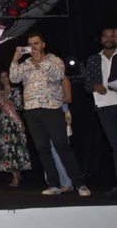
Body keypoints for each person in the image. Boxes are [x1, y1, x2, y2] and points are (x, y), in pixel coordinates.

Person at [9, 31, 91, 196]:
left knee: (62, 146)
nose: (34, 47)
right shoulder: (25, 65)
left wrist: (41, 60)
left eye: (36, 43)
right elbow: (14, 78)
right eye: (30, 44)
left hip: (52, 108)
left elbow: (59, 75)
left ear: (43, 44)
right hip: (32, 111)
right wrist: (15, 59)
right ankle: (53, 184)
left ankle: (80, 184)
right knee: (42, 149)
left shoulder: (54, 60)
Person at [85, 28, 117, 196]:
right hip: (104, 106)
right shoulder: (93, 60)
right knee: (115, 146)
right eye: (106, 35)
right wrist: (95, 86)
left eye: (113, 35)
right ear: (101, 39)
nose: (109, 38)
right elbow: (87, 84)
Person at [0, 71, 31, 187]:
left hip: (15, 123)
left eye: (5, 76)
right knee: (8, 149)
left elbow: (18, 105)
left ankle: (18, 174)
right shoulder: (0, 92)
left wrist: (3, 97)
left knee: (17, 149)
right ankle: (15, 176)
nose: (4, 79)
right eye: (1, 77)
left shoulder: (16, 91)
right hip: (4, 124)